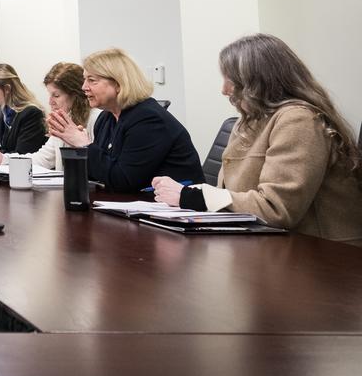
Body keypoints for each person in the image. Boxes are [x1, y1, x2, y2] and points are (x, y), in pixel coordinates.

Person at [151, 34, 362, 243]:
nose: (224, 90)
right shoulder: (251, 120)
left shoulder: (299, 119)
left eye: (231, 80)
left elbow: (276, 209)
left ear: (257, 81)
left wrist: (192, 196)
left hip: (322, 252)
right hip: (270, 243)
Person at [49, 48, 203, 193]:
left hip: (173, 206)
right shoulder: (106, 118)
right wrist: (76, 146)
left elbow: (124, 180)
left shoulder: (148, 119)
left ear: (118, 84)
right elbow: (99, 174)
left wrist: (84, 145)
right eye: (84, 80)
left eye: (92, 80)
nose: (84, 87)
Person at [0, 61, 94, 169]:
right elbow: (43, 159)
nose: (50, 102)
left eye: (56, 96)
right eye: (50, 95)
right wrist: (3, 159)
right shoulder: (66, 119)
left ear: (75, 95)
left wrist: (81, 143)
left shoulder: (94, 120)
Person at [0, 63, 46, 154]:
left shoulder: (31, 113)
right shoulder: (6, 110)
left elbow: (22, 155)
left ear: (7, 89)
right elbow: (6, 149)